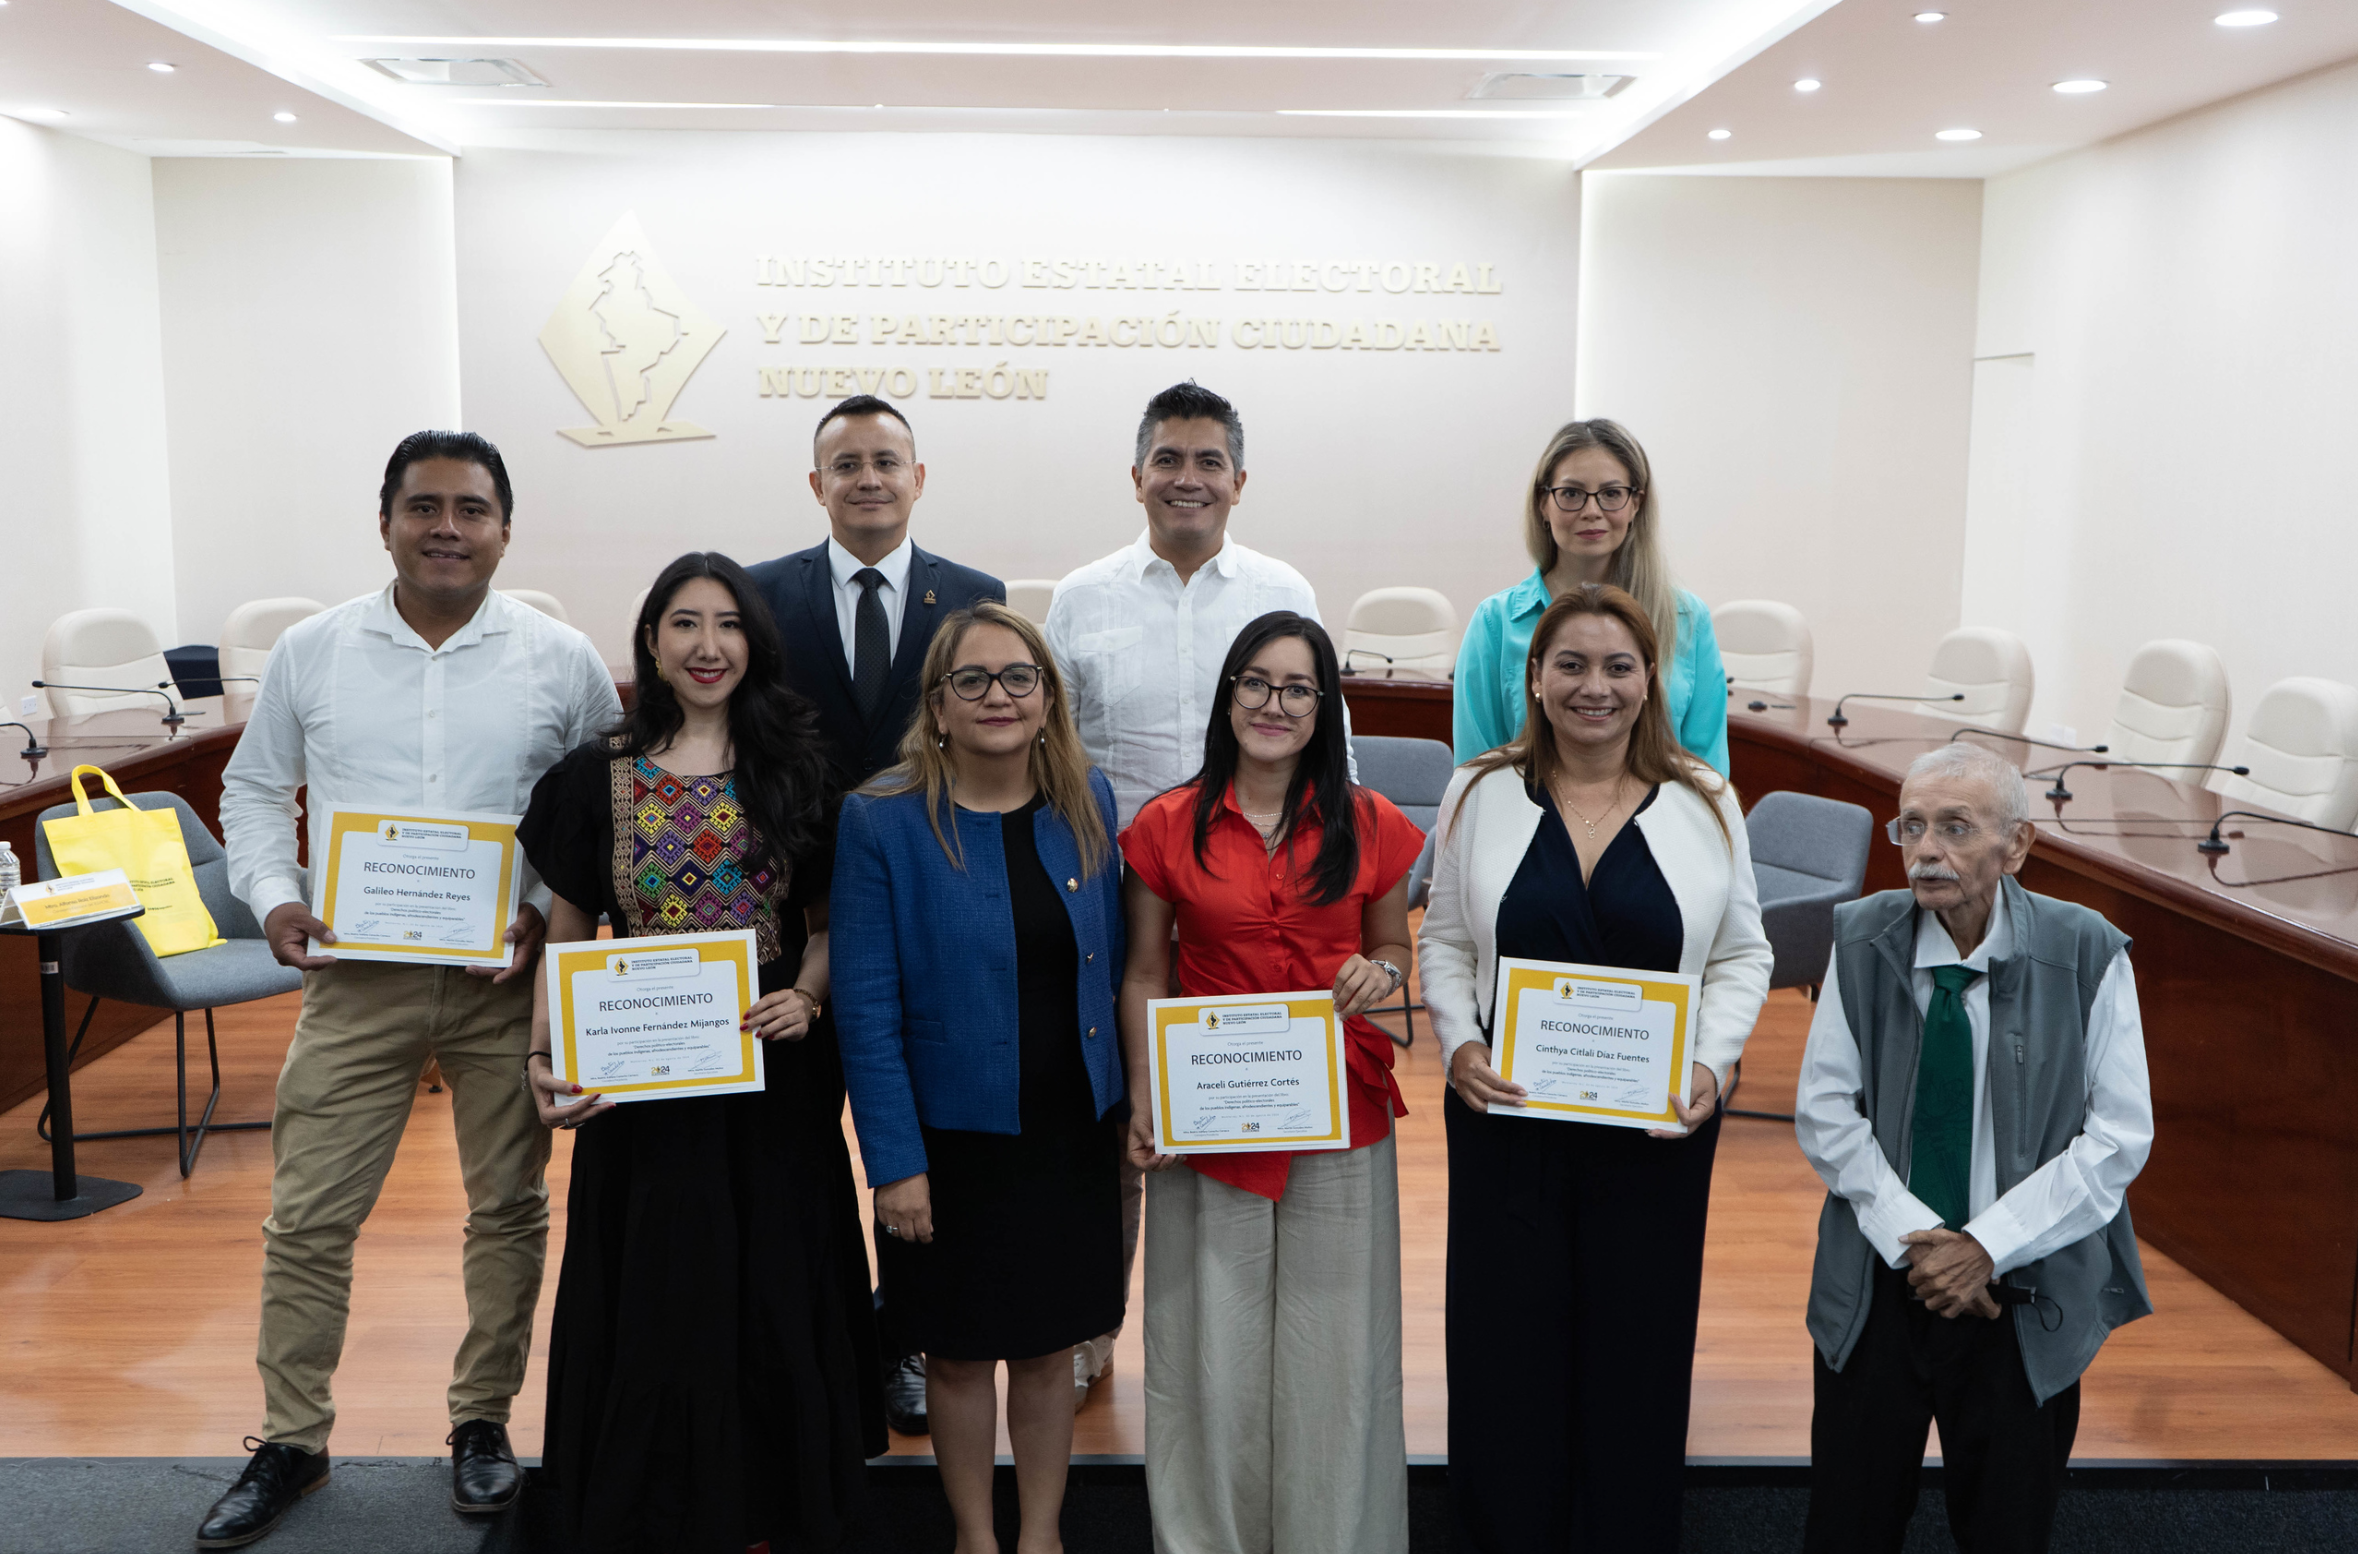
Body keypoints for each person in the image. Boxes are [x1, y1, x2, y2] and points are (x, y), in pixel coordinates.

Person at [203, 431, 622, 1549]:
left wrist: (542, 906)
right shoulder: (315, 650)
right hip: (357, 981)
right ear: (383, 519)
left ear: (503, 527)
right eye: (424, 506)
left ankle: (480, 1423)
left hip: (503, 985)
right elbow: (252, 791)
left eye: (471, 509)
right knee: (307, 1219)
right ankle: (292, 1437)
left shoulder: (560, 659)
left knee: (510, 1212)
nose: (448, 527)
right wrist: (271, 895)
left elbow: (594, 816)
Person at [516, 552, 884, 1553]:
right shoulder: (592, 777)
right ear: (650, 641)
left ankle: (776, 1504)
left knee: (772, 1279)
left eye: (727, 624)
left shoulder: (801, 768)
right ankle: (656, 1509)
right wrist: (546, 1058)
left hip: (770, 1078)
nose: (707, 645)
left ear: (754, 644)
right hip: (637, 1084)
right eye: (684, 623)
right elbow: (567, 934)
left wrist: (808, 1000)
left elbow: (824, 922)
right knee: (659, 1290)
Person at [1418, 582, 1771, 1553]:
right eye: (1570, 664)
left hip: (1655, 1132)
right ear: (1533, 679)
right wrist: (1458, 1041)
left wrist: (1711, 1063)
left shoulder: (1705, 800)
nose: (1594, 687)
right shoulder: (1480, 791)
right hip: (1506, 1122)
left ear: (1650, 680)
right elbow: (1444, 940)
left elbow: (1744, 954)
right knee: (1504, 1360)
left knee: (1637, 1360)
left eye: (1618, 666)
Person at [1045, 378, 1351, 1405]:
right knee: (1117, 1115)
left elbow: (1314, 746)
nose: (1188, 478)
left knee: (1243, 1102)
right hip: (1114, 900)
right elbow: (1061, 755)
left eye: (1208, 461)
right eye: (1168, 460)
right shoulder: (1081, 597)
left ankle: (1234, 1326)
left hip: (1246, 901)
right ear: (1137, 477)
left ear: (1239, 480)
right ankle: (1095, 1325)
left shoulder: (1284, 592)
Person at [1796, 742, 2153, 1554]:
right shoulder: (1861, 939)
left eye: (1956, 828)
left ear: (2017, 845)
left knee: (2006, 1529)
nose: (1926, 851)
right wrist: (1918, 1243)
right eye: (1912, 827)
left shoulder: (2087, 949)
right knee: (1848, 1524)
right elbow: (1825, 1109)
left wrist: (1986, 1246)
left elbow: (2119, 1136)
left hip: (2025, 1284)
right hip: (1883, 1276)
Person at [1118, 610, 1423, 1554]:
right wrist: (1144, 1099)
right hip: (1209, 1117)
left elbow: (1389, 950)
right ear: (1229, 695)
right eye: (1256, 682)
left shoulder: (1368, 822)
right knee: (1211, 1355)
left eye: (1298, 689)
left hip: (1341, 1116)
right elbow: (1142, 973)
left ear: (1325, 706)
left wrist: (1386, 975)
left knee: (1337, 1357)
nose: (1275, 704)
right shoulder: (1167, 824)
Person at [831, 601, 1127, 1554]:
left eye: (1018, 678)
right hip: (946, 1143)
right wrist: (894, 1164)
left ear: (1047, 699)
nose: (997, 696)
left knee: (1048, 1354)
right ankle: (973, 1538)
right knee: (955, 1357)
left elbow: (1118, 968)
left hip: (1070, 1133)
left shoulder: (1090, 797)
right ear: (939, 705)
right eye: (973, 680)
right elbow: (866, 1008)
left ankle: (1039, 1537)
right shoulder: (881, 820)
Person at [747, 392, 1003, 1434]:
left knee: (913, 1134)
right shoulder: (762, 599)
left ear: (918, 477)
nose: (867, 478)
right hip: (794, 916)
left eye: (885, 461)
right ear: (817, 485)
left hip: (934, 905)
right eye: (845, 463)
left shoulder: (974, 597)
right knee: (807, 1143)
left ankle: (904, 1338)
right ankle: (819, 1344)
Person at [1452, 419, 1730, 774]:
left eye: (1612, 494)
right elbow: (1476, 773)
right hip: (1525, 825)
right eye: (1571, 493)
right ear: (1543, 503)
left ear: (1636, 505)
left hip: (1659, 825)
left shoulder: (1686, 618)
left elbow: (1708, 774)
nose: (1591, 510)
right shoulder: (1496, 623)